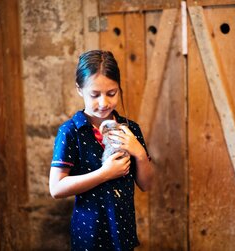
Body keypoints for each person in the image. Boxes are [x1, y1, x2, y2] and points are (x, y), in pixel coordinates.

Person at [49, 50, 153, 251]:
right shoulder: (71, 132)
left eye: (111, 93)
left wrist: (139, 152)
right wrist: (105, 174)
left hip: (123, 231)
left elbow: (147, 184)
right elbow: (56, 188)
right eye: (94, 95)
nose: (104, 103)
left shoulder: (130, 129)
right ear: (80, 90)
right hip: (89, 234)